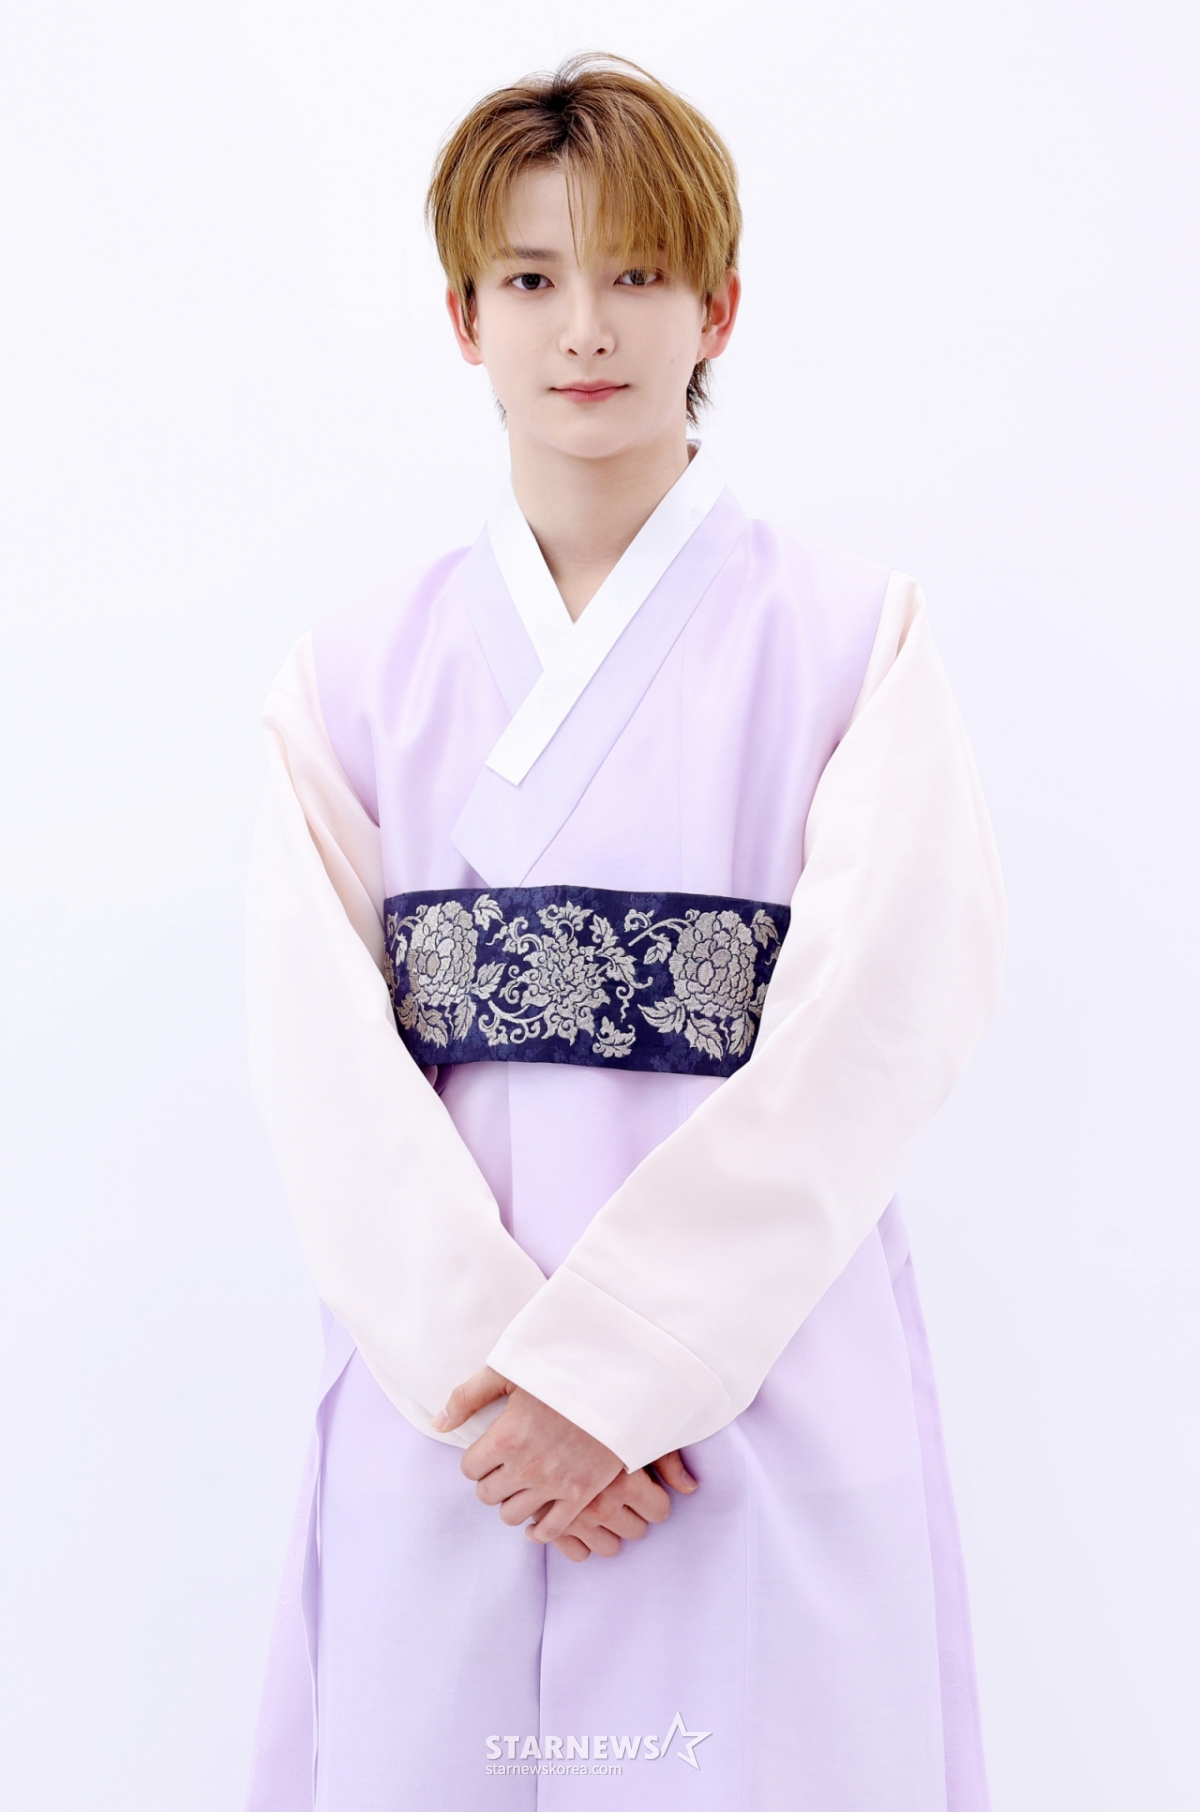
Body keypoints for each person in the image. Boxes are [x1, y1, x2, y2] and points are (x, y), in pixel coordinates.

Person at [243, 51, 1006, 1812]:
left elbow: (876, 1036)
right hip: (460, 1425)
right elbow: (321, 1072)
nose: (583, 327)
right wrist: (512, 1395)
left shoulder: (851, 640)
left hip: (754, 1400)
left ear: (717, 307)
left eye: (637, 273)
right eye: (529, 278)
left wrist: (618, 1376)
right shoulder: (351, 676)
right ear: (464, 318)